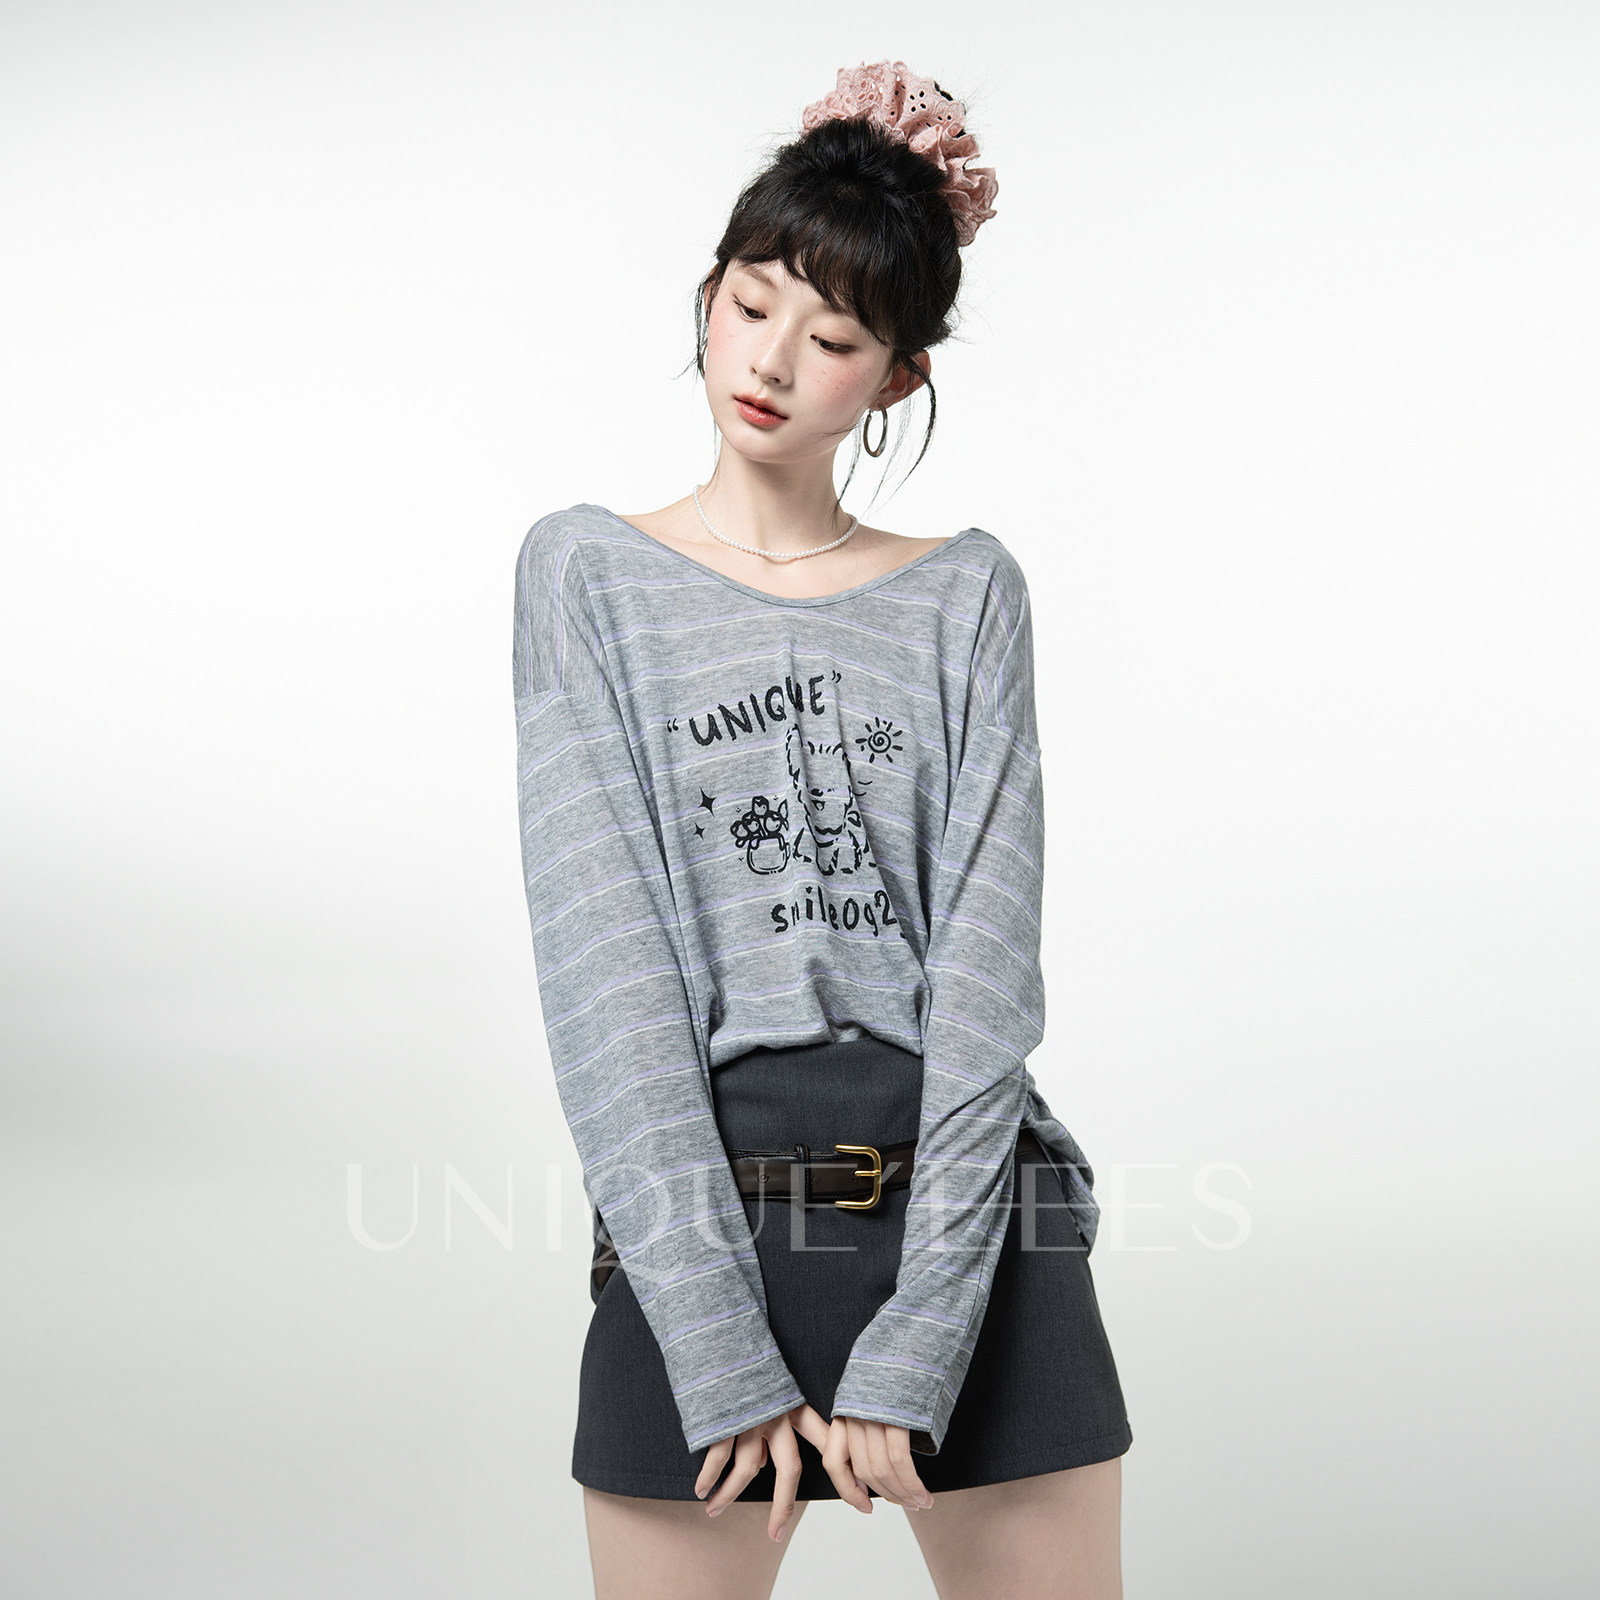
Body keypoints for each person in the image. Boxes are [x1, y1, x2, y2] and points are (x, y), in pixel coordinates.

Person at [512, 60, 1132, 1600]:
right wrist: (717, 1345)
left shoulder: (968, 594)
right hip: (699, 1223)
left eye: (836, 336)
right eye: (750, 304)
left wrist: (925, 1336)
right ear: (707, 298)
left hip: (973, 1226)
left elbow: (987, 977)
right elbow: (606, 977)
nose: (774, 359)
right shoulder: (587, 577)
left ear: (897, 380)